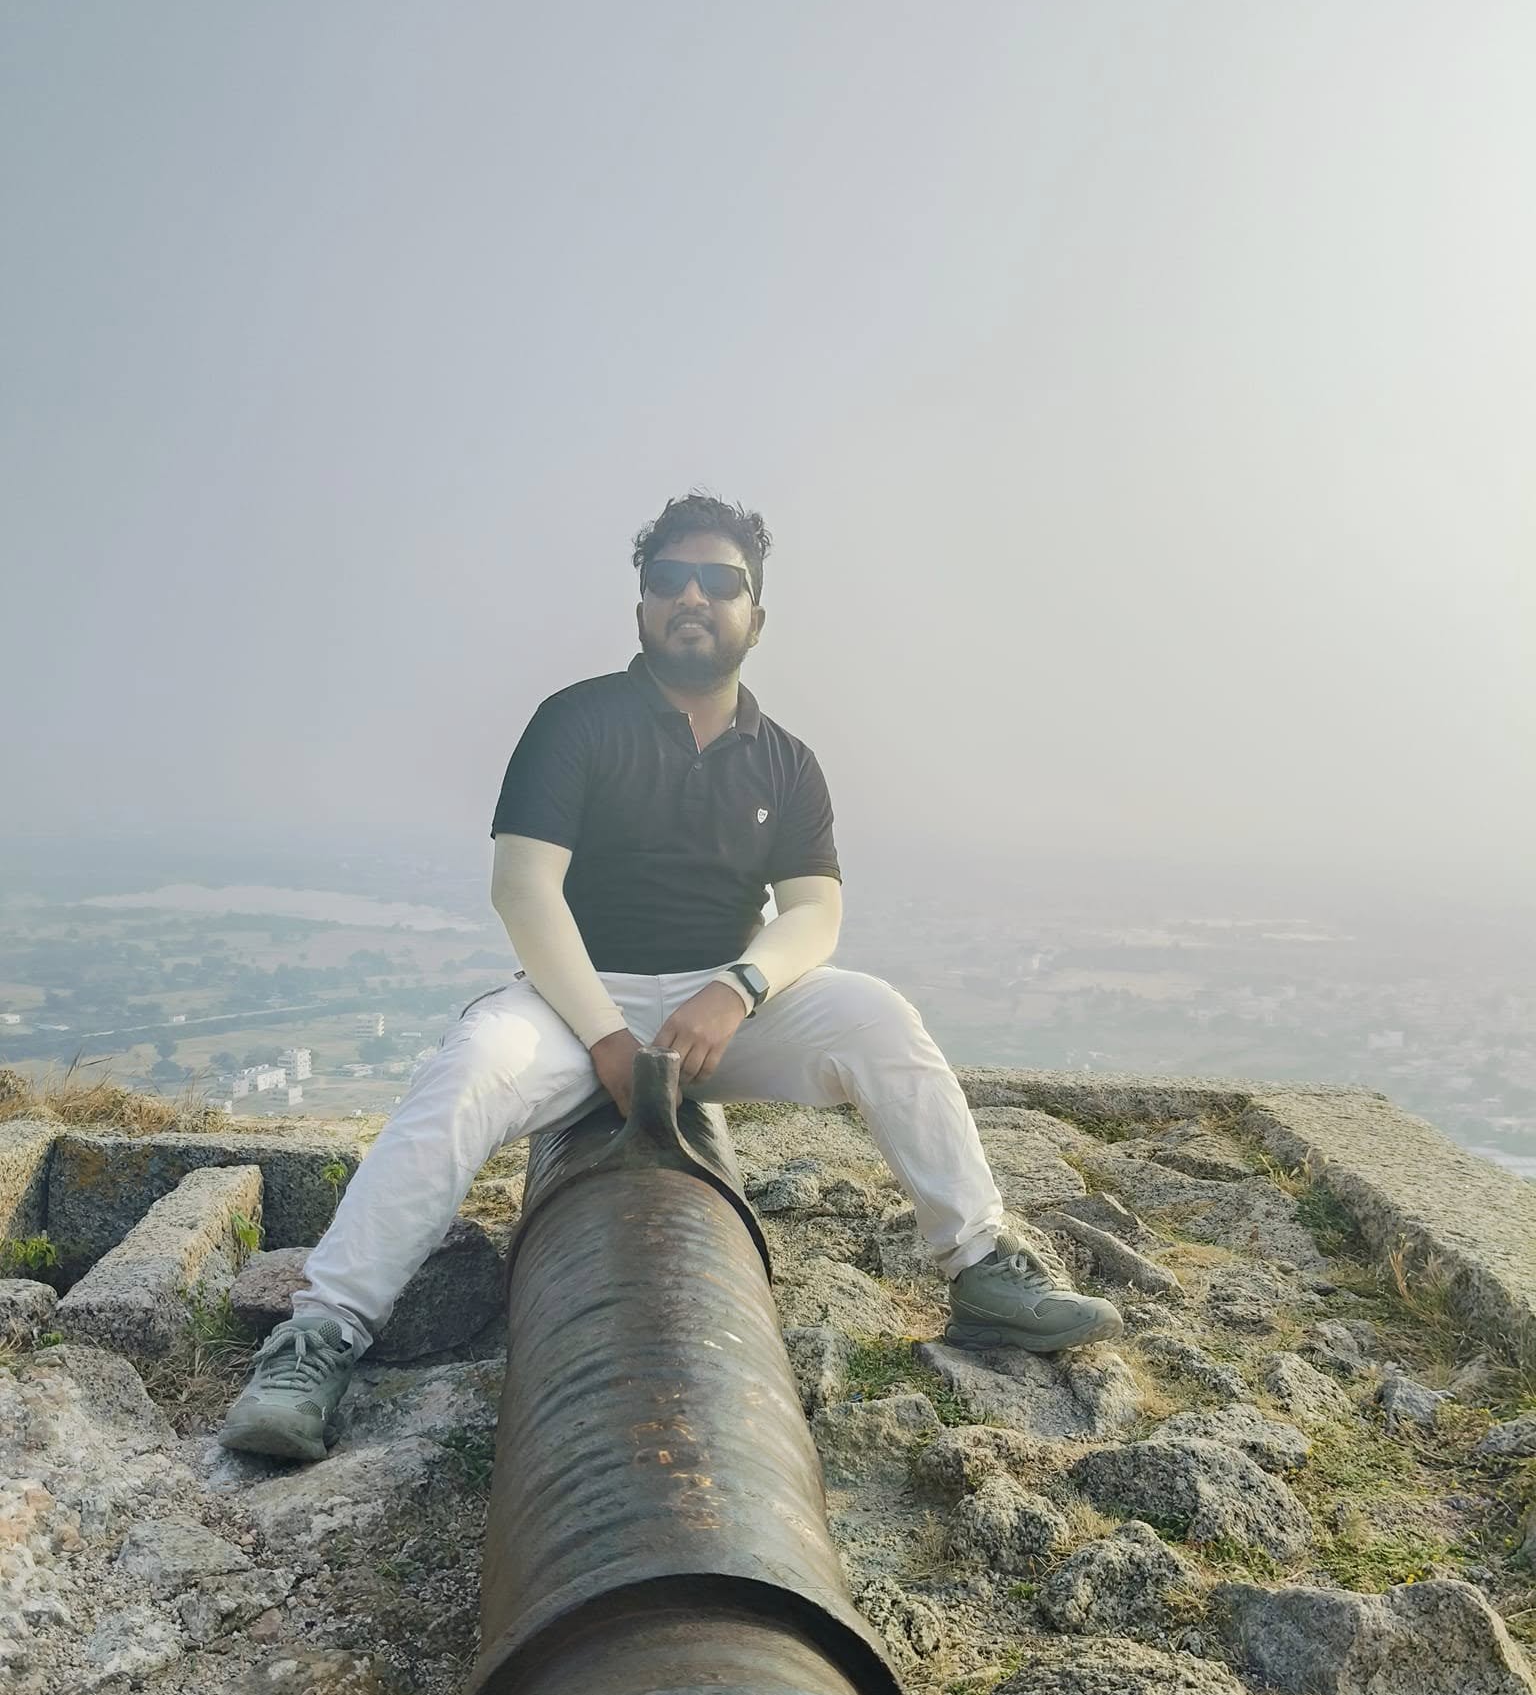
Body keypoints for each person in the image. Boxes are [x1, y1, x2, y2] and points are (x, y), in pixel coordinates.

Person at [219, 494, 1121, 1462]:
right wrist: (607, 1033)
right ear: (642, 607)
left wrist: (736, 987)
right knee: (472, 1064)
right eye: (669, 579)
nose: (693, 595)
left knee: (879, 1018)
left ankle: (983, 1263)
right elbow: (524, 888)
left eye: (720, 581)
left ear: (756, 615)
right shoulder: (577, 721)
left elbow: (815, 909)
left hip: (718, 1012)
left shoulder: (787, 763)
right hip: (576, 1003)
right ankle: (319, 1336)